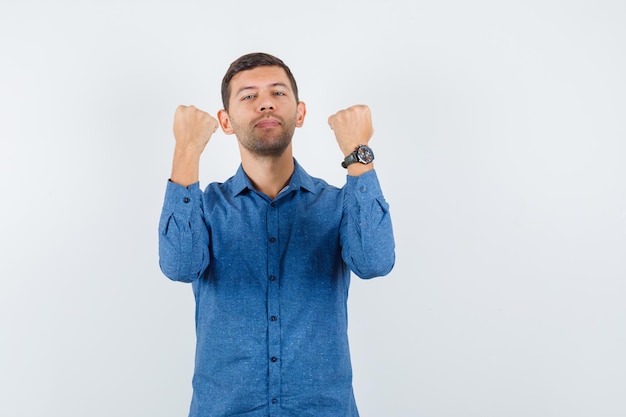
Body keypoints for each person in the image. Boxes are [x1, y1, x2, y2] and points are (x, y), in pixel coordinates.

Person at [158, 52, 395, 417]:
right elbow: (179, 265)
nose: (265, 102)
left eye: (278, 93)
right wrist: (186, 148)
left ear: (300, 113)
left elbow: (375, 261)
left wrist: (357, 152)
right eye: (248, 96)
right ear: (225, 121)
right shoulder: (203, 206)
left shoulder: (337, 203)